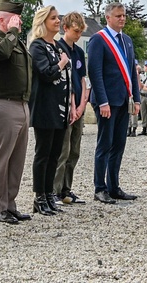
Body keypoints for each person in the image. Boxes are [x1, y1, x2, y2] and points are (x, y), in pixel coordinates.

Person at [86, 1, 141, 204]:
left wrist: (135, 97)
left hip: (123, 99)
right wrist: (102, 101)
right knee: (105, 144)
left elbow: (132, 73)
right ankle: (100, 187)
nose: (122, 18)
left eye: (124, 15)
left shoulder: (126, 41)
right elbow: (95, 72)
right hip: (106, 101)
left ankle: (114, 186)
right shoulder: (98, 40)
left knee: (119, 144)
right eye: (118, 16)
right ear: (108, 18)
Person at [0, 0, 33, 225]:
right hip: (4, 105)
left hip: (22, 104)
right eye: (16, 19)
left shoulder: (18, 42)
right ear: (2, 19)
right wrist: (11, 31)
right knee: (2, 158)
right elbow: (0, 54)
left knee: (17, 160)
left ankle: (10, 204)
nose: (20, 23)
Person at [27, 5, 72, 216]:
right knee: (43, 153)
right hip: (45, 107)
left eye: (58, 18)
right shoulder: (38, 46)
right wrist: (62, 64)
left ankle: (49, 194)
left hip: (61, 107)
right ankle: (39, 196)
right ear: (43, 21)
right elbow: (46, 73)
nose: (57, 21)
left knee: (55, 153)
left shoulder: (57, 47)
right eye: (53, 18)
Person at [55, 12, 90, 205]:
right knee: (63, 150)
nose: (78, 35)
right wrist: (73, 106)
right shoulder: (58, 48)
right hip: (66, 106)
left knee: (74, 150)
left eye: (81, 32)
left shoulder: (78, 51)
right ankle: (55, 190)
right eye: (76, 31)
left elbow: (82, 79)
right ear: (66, 28)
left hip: (79, 106)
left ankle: (67, 188)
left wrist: (83, 103)